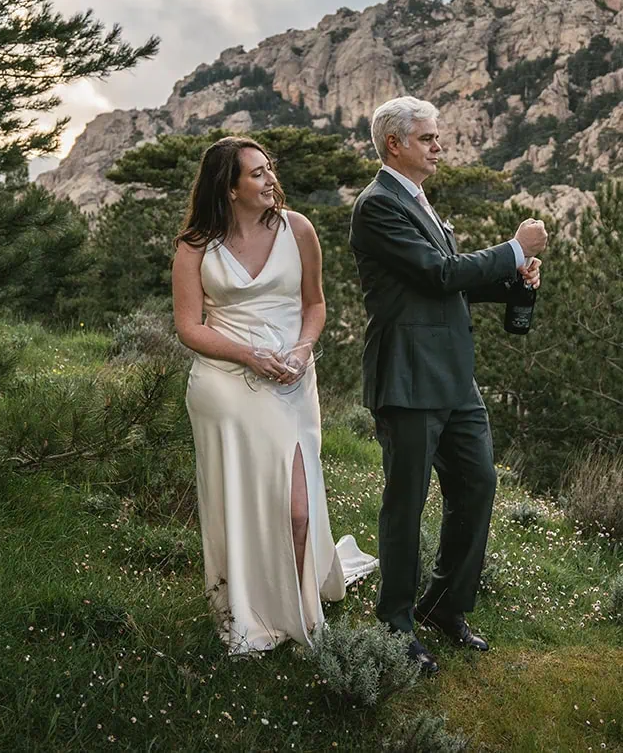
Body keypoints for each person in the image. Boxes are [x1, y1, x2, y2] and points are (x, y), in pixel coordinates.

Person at [348, 97, 546, 675]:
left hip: (455, 379)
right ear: (395, 144)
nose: (440, 146)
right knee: (405, 504)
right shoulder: (376, 206)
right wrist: (513, 248)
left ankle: (444, 606)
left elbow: (446, 286)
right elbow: (437, 274)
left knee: (479, 485)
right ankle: (395, 624)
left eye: (438, 137)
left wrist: (515, 279)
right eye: (429, 138)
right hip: (407, 376)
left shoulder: (421, 203)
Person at [172, 135, 378, 655]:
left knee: (298, 511)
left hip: (290, 379)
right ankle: (248, 608)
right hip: (226, 384)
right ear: (230, 187)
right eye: (257, 174)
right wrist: (249, 355)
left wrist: (304, 350)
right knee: (240, 498)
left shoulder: (299, 229)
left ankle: (300, 611)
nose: (270, 180)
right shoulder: (196, 244)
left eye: (270, 170)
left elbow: (315, 304)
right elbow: (188, 328)